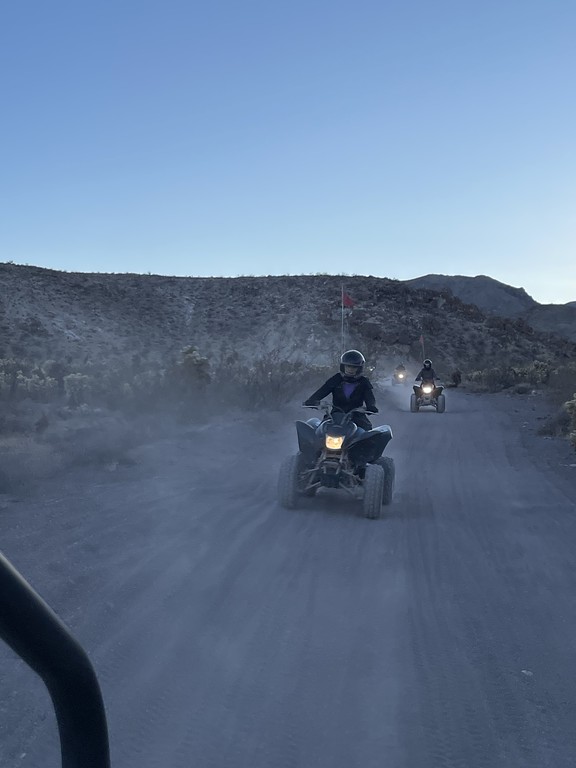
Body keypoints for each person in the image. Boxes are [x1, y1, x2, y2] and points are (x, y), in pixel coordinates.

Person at [303, 350, 377, 431]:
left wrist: (371, 406)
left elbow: (369, 397)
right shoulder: (336, 379)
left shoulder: (364, 382)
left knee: (366, 431)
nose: (350, 369)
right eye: (348, 366)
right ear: (343, 366)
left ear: (359, 368)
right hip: (335, 415)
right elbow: (323, 391)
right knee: (320, 431)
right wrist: (312, 400)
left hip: (357, 416)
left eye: (354, 367)